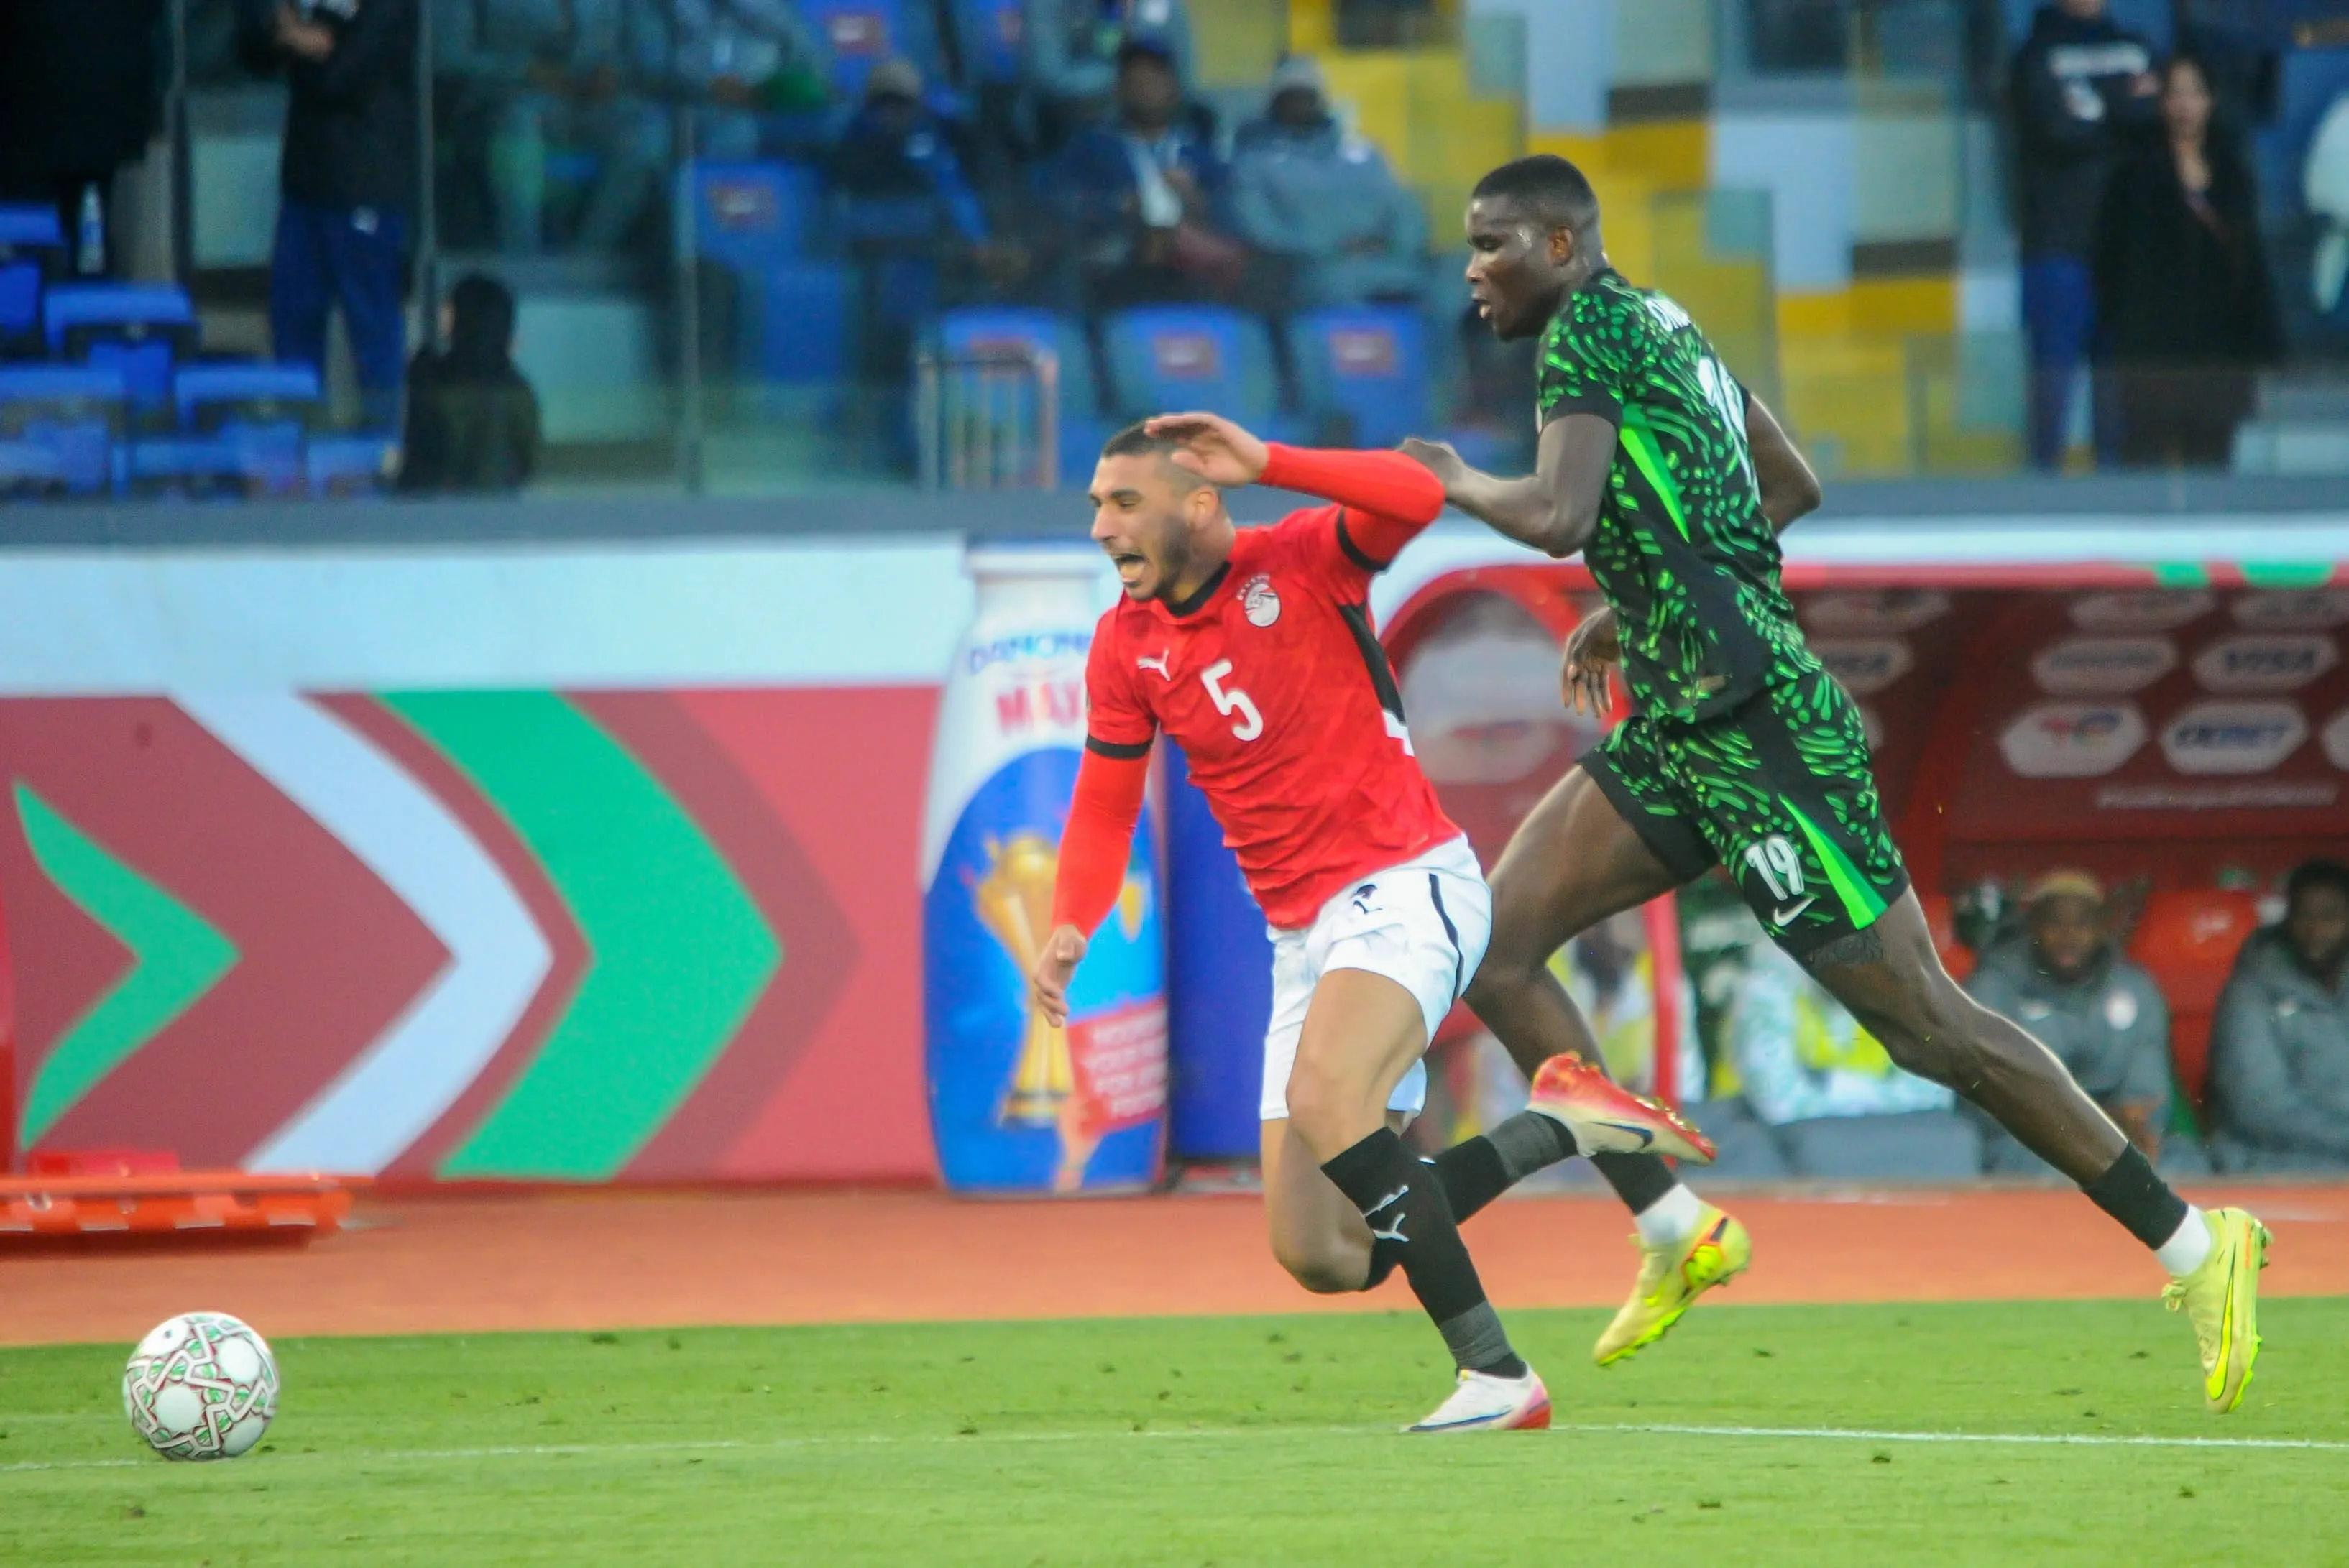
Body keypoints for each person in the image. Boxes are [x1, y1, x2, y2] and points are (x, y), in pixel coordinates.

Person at [1400, 151, 2271, 1413]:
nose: (1471, 269)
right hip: (1685, 724)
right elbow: (1786, 483)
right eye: (1467, 246)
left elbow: (1549, 510)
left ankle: (2195, 1245)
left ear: (1561, 244)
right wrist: (1644, 593)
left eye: (1492, 244)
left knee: (1928, 1029)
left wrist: (1450, 478)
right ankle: (1675, 1227)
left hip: (1759, 737)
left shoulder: (1583, 333)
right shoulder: (1663, 321)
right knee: (1500, 947)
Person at [1030, 415, 1714, 1432]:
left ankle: (1496, 1373)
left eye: (1123, 501)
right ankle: (1565, 1121)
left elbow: (1414, 493)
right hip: (1300, 938)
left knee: (1325, 1095)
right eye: (1096, 504)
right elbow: (1102, 799)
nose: (1101, 526)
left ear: (1202, 505)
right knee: (1326, 1252)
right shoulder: (1124, 645)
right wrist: (1070, 923)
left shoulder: (1301, 559)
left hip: (1403, 885)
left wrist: (1275, 461)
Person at [2093, 53, 2283, 470]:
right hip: (2152, 356)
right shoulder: (2132, 177)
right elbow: (2110, 264)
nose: (2184, 104)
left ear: (2211, 101)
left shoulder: (2232, 174)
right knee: (2145, 470)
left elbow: (2249, 265)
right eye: (2175, 93)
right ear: (2161, 102)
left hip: (2218, 353)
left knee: (2212, 471)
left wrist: (2263, 346)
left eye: (2194, 92)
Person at [242, 0, 420, 433]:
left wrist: (296, 37)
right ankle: (299, 449)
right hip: (305, 184)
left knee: (372, 328)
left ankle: (382, 451)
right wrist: (293, 36)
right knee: (293, 319)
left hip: (364, 183)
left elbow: (342, 74)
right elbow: (251, 50)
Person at [2008, 0, 2159, 470]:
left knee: (2120, 396)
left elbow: (2155, 121)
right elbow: (2055, 131)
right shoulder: (2034, 55)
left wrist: (2096, 108)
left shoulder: (2136, 46)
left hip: (2127, 247)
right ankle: (2042, 513)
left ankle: (2120, 509)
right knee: (2052, 390)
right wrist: (2125, 109)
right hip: (2058, 243)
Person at [1964, 870, 2174, 1172]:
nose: (2069, 936)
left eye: (2083, 923)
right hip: (2026, 1144)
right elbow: (1990, 1099)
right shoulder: (1993, 987)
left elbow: (2147, 1096)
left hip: (2116, 1142)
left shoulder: (2136, 989)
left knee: (2181, 1168)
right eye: (2055, 923)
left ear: (2102, 929)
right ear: (2034, 927)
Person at [428, 0, 668, 255]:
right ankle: (523, 259)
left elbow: (634, 50)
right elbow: (447, 56)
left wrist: (613, 72)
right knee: (518, 122)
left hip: (583, 103)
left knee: (646, 134)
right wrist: (524, 70)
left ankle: (587, 256)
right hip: (496, 103)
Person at [1228, 57, 1427, 310]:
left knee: (1446, 292)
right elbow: (1262, 232)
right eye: (1291, 96)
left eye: (1307, 95)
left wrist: (1393, 246)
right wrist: (1331, 248)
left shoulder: (1365, 156)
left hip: (1388, 267)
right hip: (1311, 276)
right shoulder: (1255, 164)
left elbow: (1405, 212)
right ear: (1275, 103)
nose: (1300, 104)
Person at [1056, 39, 1238, 310]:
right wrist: (1119, 205)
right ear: (1119, 89)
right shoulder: (1091, 147)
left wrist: (1197, 200)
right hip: (1113, 273)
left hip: (1191, 276)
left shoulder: (1199, 153)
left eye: (1155, 80)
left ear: (1174, 88)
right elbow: (1060, 204)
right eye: (1136, 80)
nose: (1146, 89)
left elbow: (1233, 214)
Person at [0, 0, 164, 277]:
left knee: (23, 236)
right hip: (105, 109)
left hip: (30, 107)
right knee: (90, 231)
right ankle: (89, 303)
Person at [2207, 859, 2349, 1172]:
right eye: (2305, 915)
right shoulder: (2252, 990)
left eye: (2331, 916)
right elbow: (2260, 1107)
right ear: (2287, 920)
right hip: (2271, 1161)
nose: (2316, 929)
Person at [1727, 936, 1954, 1127]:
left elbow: (1935, 1098)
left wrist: (1835, 1087)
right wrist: (1874, 1099)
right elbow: (1779, 1107)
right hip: (1771, 1154)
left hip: (1876, 1153)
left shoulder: (1905, 984)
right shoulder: (1767, 988)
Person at [397, 273, 541, 494]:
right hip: (496, 510)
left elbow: (418, 462)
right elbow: (528, 463)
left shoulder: (431, 383)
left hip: (431, 512)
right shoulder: (518, 390)